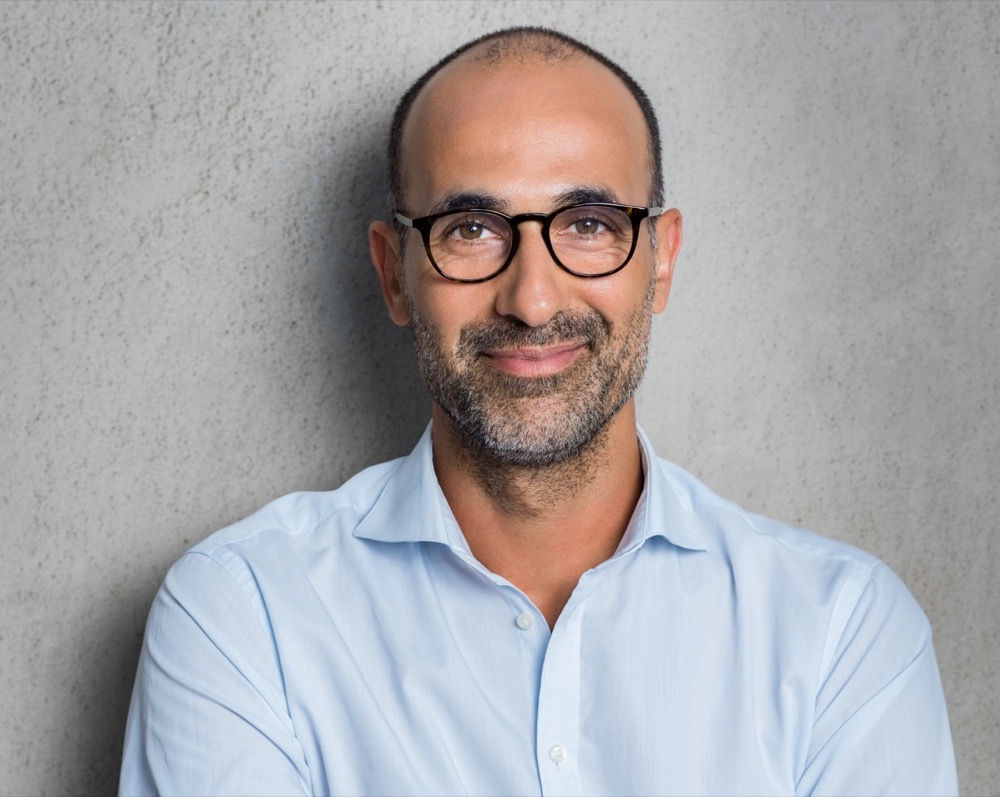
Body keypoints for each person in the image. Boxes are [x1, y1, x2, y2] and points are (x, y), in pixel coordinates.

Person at [119, 26, 956, 796]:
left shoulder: (842, 632)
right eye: (471, 228)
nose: (531, 296)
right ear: (393, 273)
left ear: (660, 263)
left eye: (589, 223)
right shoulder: (245, 617)